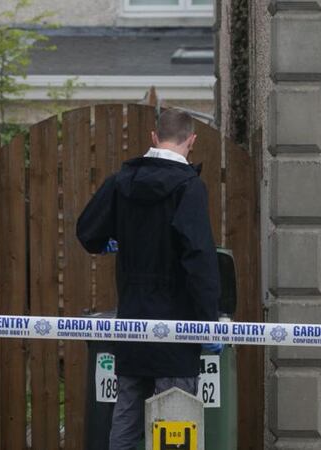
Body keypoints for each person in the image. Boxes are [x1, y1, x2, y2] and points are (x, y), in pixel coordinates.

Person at [77, 109, 221, 450]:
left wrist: (113, 240)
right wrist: (209, 322)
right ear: (192, 141)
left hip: (132, 324)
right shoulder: (189, 188)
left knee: (125, 421)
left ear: (154, 138)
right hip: (176, 330)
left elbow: (87, 233)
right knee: (174, 427)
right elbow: (199, 259)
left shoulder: (120, 182)